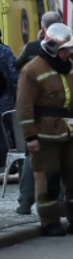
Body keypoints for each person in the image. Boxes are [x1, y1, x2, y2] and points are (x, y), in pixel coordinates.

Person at [16, 23, 73, 237]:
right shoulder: (32, 69)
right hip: (46, 133)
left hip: (71, 130)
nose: (68, 54)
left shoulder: (70, 65)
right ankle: (49, 221)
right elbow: (24, 106)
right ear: (53, 47)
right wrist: (30, 137)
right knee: (48, 178)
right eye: (65, 50)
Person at [0, 29, 18, 169]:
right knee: (8, 131)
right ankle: (10, 164)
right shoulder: (5, 52)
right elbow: (13, 75)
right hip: (4, 99)